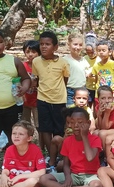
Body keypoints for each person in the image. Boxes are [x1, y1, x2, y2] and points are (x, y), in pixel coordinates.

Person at [39, 107, 103, 187]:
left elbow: (90, 157)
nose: (76, 125)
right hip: (74, 175)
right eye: (72, 122)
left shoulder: (95, 139)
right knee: (43, 179)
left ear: (88, 123)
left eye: (80, 122)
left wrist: (84, 136)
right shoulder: (68, 141)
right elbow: (65, 164)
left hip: (90, 175)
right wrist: (68, 178)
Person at [0, 29, 31, 173]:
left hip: (12, 106)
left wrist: (24, 88)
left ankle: (15, 163)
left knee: (14, 135)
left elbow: (26, 78)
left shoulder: (14, 60)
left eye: (0, 41)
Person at [32, 31, 70, 160]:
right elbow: (36, 79)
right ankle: (50, 155)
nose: (43, 47)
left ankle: (59, 153)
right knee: (45, 129)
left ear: (55, 47)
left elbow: (65, 80)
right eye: (41, 44)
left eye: (47, 44)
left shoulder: (63, 63)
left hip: (59, 100)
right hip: (42, 99)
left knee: (58, 129)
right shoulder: (36, 61)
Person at [0, 121, 45, 187]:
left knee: (34, 181)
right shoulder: (9, 149)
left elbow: (42, 172)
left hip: (26, 179)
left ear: (29, 138)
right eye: (14, 133)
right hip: (11, 180)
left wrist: (19, 177)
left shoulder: (35, 150)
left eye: (21, 134)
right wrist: (4, 177)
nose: (16, 136)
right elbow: (6, 169)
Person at [21, 40, 43, 150]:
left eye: (34, 52)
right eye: (27, 51)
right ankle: (25, 144)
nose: (30, 54)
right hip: (24, 100)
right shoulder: (22, 66)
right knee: (25, 123)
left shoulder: (41, 66)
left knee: (39, 124)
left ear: (39, 53)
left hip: (37, 100)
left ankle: (41, 145)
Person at [64, 32, 90, 107]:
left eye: (80, 45)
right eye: (75, 44)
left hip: (82, 90)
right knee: (70, 112)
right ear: (69, 45)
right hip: (69, 90)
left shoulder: (83, 60)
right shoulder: (64, 60)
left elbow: (87, 73)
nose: (78, 47)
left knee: (82, 112)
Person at [84, 31, 100, 108]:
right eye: (88, 52)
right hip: (88, 87)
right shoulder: (84, 59)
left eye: (92, 52)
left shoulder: (100, 59)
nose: (90, 54)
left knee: (97, 108)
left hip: (98, 88)